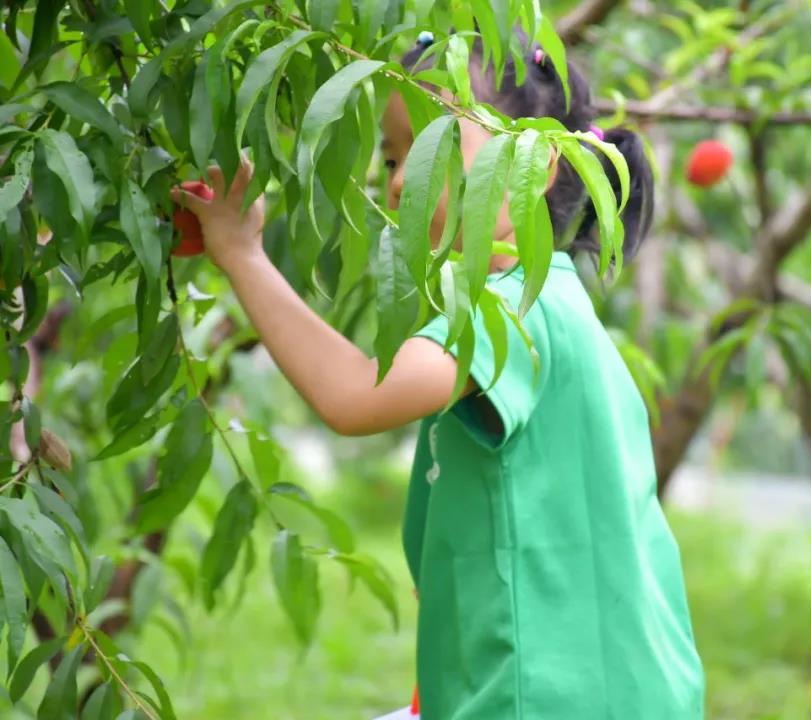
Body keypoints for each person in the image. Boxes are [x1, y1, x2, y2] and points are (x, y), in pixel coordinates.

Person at [173, 29, 705, 720]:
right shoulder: (549, 307)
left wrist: (241, 254)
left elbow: (354, 394)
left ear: (535, 167)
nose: (399, 182)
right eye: (395, 156)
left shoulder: (509, 312)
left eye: (435, 149)